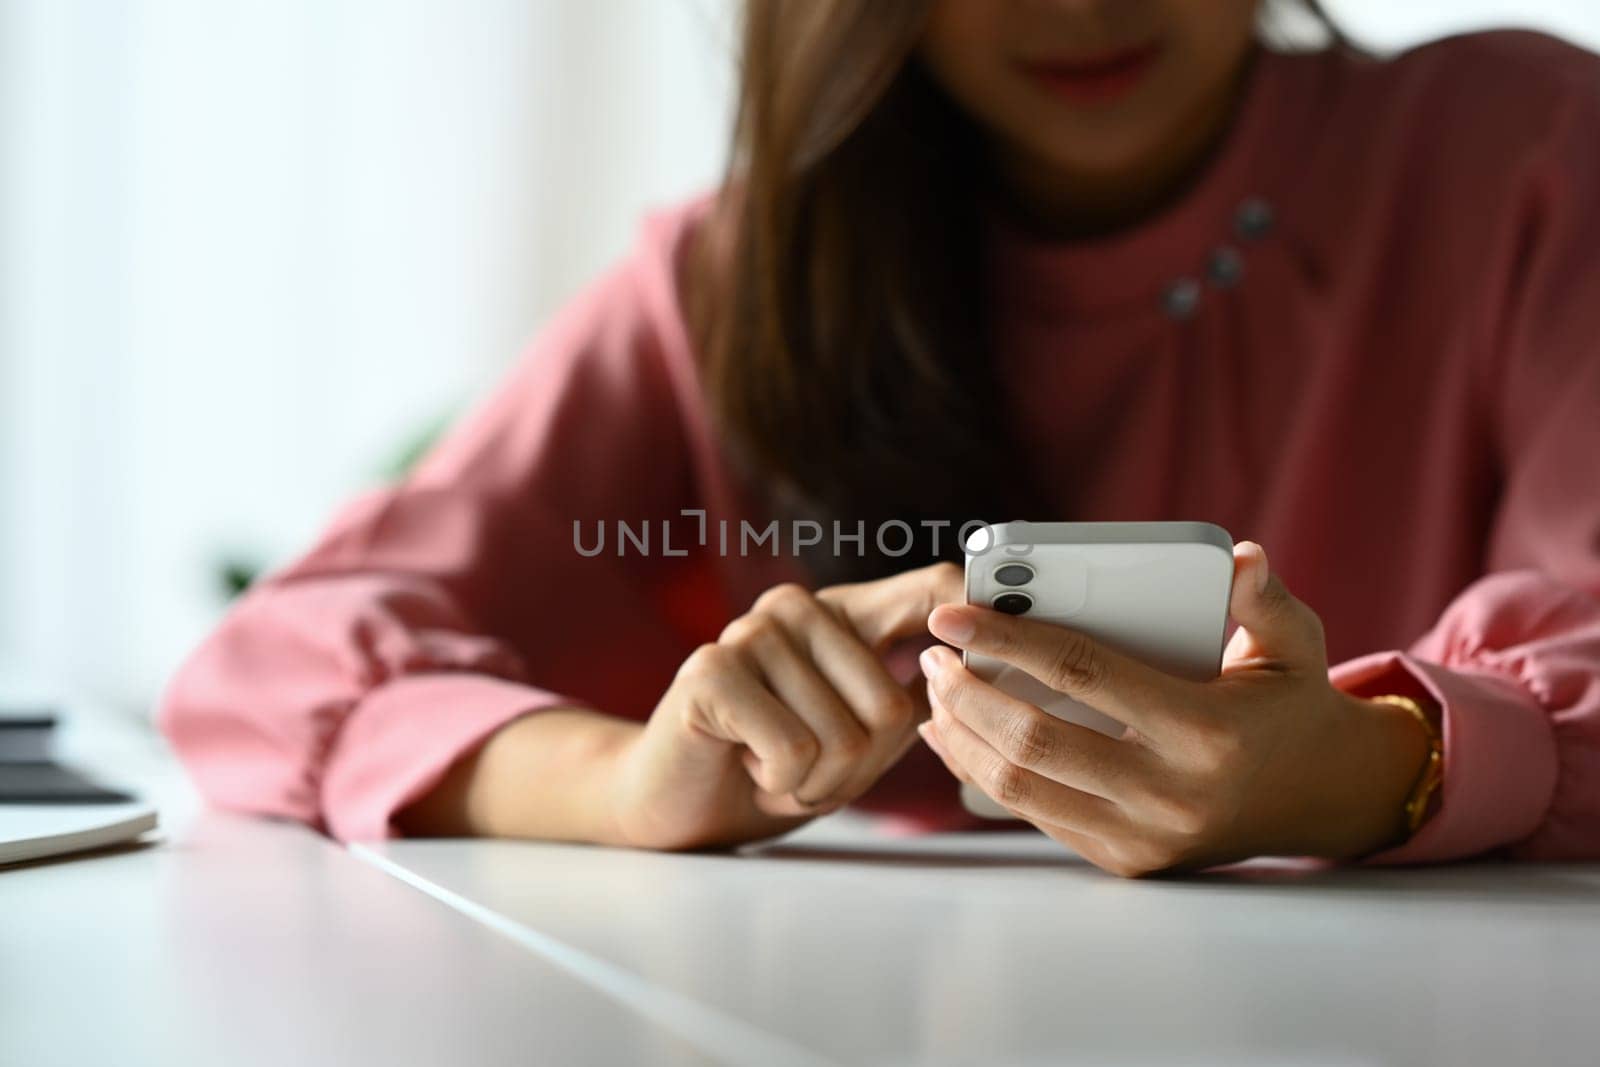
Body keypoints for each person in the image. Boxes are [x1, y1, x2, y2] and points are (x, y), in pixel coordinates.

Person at [160, 0, 1600, 876]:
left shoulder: (1524, 151)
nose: (1084, 0)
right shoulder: (740, 277)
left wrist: (1365, 769)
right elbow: (281, 661)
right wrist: (628, 787)